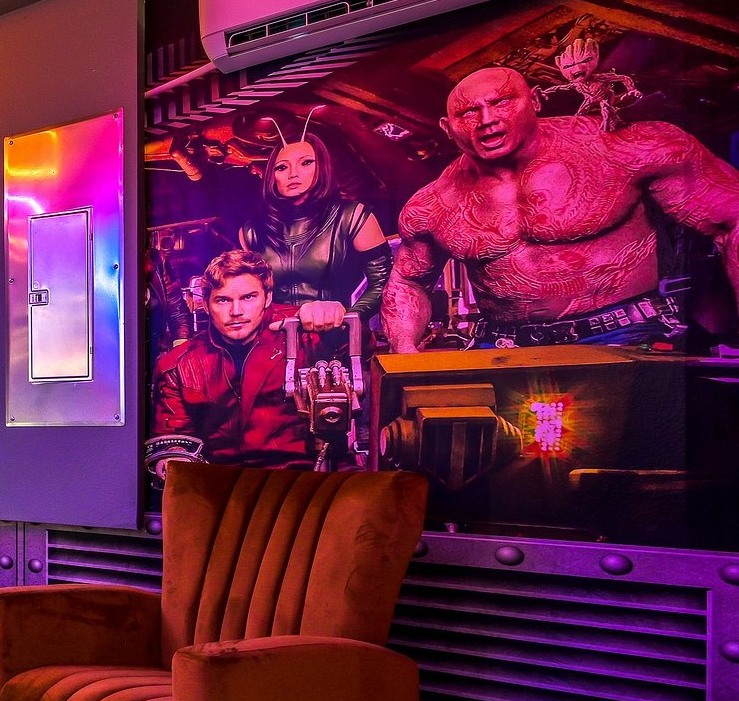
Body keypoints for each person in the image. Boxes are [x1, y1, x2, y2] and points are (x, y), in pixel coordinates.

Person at [384, 65, 739, 351]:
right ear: (447, 127)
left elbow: (732, 222)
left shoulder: (621, 150)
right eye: (468, 112)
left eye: (502, 102)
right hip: (506, 346)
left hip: (629, 334)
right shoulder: (432, 204)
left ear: (535, 101)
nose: (487, 119)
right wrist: (405, 350)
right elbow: (408, 282)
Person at [147, 249, 339, 475]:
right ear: (206, 305)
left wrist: (336, 319)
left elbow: (360, 352)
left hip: (300, 475)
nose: (236, 311)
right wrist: (174, 458)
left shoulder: (305, 334)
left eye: (248, 297)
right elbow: (173, 436)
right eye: (223, 300)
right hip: (221, 480)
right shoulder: (179, 365)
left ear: (268, 297)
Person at [237, 131, 392, 333]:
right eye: (282, 167)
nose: (293, 173)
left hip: (339, 338)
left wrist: (348, 319)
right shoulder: (251, 232)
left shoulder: (352, 216)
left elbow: (384, 282)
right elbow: (248, 294)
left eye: (306, 163)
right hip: (275, 338)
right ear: (271, 176)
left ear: (322, 167)